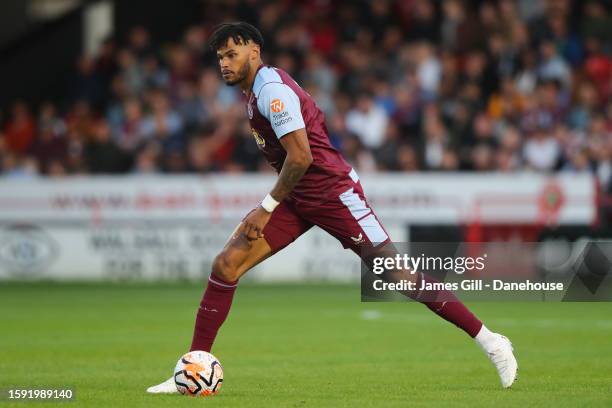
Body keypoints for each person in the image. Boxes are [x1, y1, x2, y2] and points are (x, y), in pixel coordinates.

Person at [147, 22, 517, 393]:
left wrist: (266, 208)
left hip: (334, 195)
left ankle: (491, 341)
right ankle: (193, 368)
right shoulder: (254, 92)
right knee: (226, 264)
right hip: (297, 198)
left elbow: (301, 157)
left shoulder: (272, 91)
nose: (224, 63)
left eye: (232, 54)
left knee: (398, 275)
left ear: (254, 52)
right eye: (220, 58)